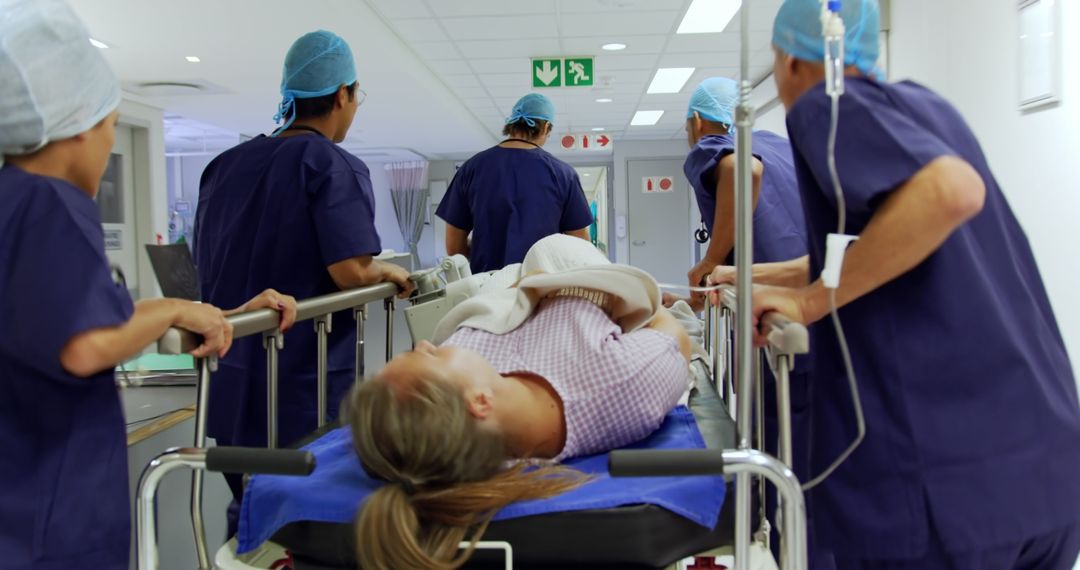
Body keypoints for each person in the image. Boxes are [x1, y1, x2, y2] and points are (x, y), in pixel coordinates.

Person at [711, 0, 1080, 567]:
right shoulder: (931, 108)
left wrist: (809, 304)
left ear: (787, 61)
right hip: (1044, 471)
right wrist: (756, 277)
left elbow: (951, 192)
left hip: (950, 494)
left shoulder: (824, 105)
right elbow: (871, 253)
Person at [0, 2, 295, 568]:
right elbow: (85, 343)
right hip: (48, 520)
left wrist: (216, 314)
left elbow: (57, 323)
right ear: (81, 125)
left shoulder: (14, 203)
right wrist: (169, 309)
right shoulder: (52, 203)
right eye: (111, 130)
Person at [346, 236, 692, 569]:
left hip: (513, 283)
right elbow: (665, 328)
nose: (425, 344)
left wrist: (524, 287)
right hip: (580, 271)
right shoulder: (622, 382)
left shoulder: (462, 401)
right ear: (479, 403)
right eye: (431, 357)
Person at [193, 30, 415, 501]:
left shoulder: (223, 166)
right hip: (299, 390)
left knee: (249, 504)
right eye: (357, 97)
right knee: (302, 515)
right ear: (342, 95)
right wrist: (385, 273)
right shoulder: (331, 164)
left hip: (229, 382)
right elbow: (350, 272)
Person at [435, 93, 594, 273]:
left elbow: (454, 247)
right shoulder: (563, 174)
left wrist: (483, 253)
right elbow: (580, 247)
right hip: (542, 288)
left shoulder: (471, 169)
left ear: (512, 124)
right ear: (546, 127)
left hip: (487, 288)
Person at [684, 77, 807, 296]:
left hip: (765, 298)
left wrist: (712, 259)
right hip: (810, 284)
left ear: (697, 121)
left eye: (687, 129)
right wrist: (690, 301)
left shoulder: (710, 145)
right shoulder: (777, 144)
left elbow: (746, 169)